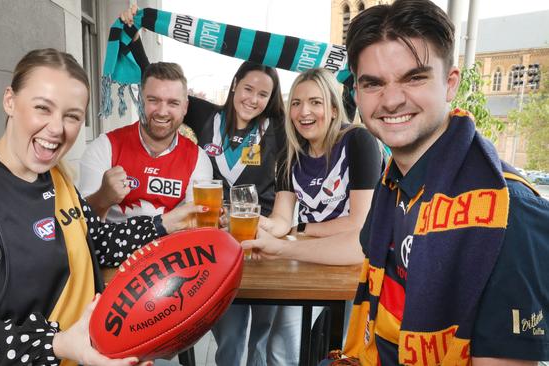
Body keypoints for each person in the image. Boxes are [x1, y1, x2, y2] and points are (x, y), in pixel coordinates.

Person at [0, 48, 201, 366]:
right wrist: (57, 344)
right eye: (43, 108)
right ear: (10, 101)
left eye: (72, 116)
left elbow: (95, 241)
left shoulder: (54, 176)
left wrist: (164, 224)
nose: (57, 128)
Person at [318, 0, 549, 365]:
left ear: (450, 84)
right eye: (373, 83)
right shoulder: (393, 183)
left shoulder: (510, 210)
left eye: (414, 77)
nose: (392, 100)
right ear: (357, 95)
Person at [118, 6, 287, 365]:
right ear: (235, 86)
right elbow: (161, 86)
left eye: (263, 94)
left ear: (270, 99)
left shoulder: (278, 132)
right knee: (231, 331)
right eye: (248, 89)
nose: (252, 99)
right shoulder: (206, 115)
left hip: (263, 240)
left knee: (262, 335)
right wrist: (134, 37)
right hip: (219, 241)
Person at [252, 68, 382, 365]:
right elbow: (282, 217)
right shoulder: (290, 152)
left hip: (355, 265)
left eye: (315, 102)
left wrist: (303, 227)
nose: (303, 111)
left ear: (334, 108)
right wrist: (263, 225)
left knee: (347, 349)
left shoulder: (358, 141)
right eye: (296, 103)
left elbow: (359, 224)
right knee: (282, 342)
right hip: (311, 258)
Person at [79, 62, 213, 225]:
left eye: (173, 103)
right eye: (153, 100)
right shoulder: (104, 146)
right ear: (140, 102)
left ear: (184, 108)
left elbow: (196, 225)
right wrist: (102, 197)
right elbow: (81, 223)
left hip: (172, 248)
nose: (162, 112)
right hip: (114, 248)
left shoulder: (198, 158)